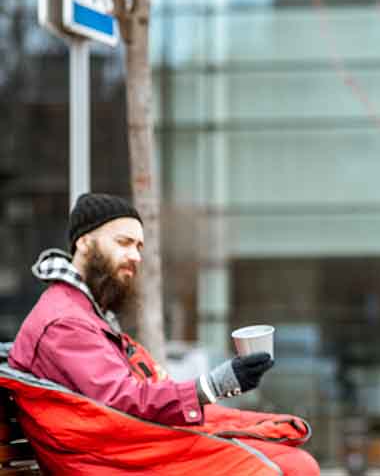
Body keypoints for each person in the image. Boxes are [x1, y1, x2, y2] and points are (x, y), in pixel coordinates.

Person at [8, 192, 320, 475]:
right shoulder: (65, 321)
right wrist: (215, 384)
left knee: (287, 455)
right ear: (84, 242)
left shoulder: (83, 314)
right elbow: (122, 401)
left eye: (139, 246)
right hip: (116, 460)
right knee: (291, 467)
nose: (135, 256)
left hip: (129, 451)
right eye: (123, 243)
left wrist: (223, 385)